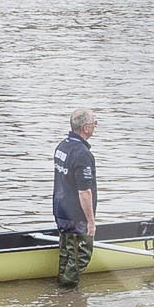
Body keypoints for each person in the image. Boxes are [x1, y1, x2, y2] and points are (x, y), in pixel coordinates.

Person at [52, 108, 99, 288]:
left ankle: (61, 286)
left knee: (66, 251)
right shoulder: (82, 154)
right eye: (94, 123)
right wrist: (91, 221)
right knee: (82, 254)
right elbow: (84, 191)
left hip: (60, 208)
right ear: (86, 128)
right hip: (76, 213)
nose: (96, 126)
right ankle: (67, 293)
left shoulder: (62, 146)